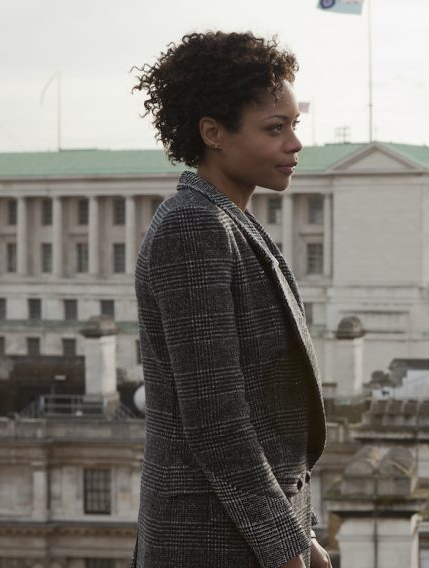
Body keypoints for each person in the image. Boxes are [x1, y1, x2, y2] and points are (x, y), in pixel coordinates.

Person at [131, 31, 330, 568]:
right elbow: (215, 418)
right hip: (209, 538)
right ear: (213, 133)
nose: (295, 143)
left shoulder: (228, 220)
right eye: (275, 128)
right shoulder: (194, 226)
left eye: (294, 125)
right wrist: (284, 543)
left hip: (240, 527)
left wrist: (296, 530)